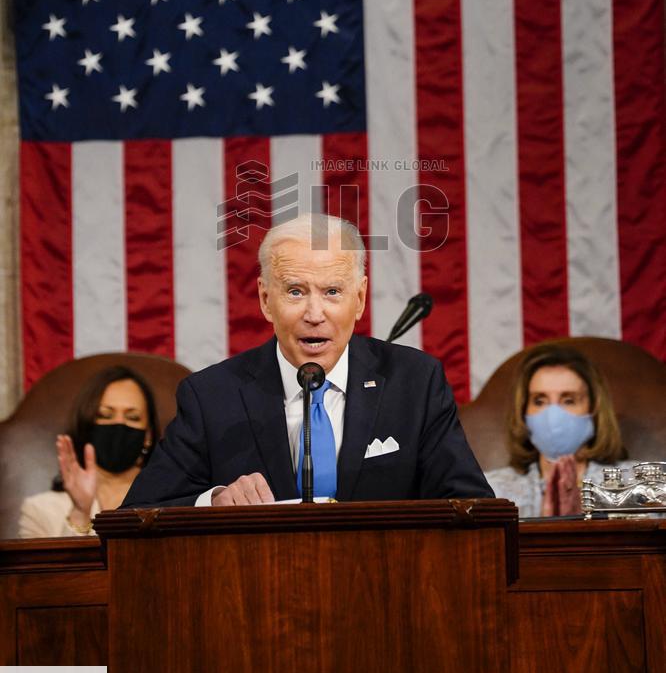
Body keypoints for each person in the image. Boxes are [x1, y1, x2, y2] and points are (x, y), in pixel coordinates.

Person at [124, 213, 493, 507]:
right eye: (295, 291)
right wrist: (213, 500)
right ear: (266, 300)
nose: (314, 314)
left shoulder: (414, 383)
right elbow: (140, 514)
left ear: (360, 299)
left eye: (332, 292)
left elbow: (471, 506)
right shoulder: (211, 397)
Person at [485, 344, 633, 517]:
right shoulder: (491, 492)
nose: (553, 416)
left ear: (594, 409)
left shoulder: (638, 485)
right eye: (539, 401)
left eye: (568, 400)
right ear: (523, 411)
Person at [19, 366, 159, 537]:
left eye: (132, 418)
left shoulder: (168, 502)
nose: (119, 424)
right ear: (87, 428)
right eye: (105, 416)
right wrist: (80, 513)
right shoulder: (39, 511)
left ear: (148, 436)